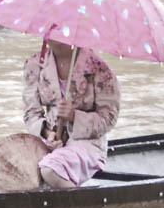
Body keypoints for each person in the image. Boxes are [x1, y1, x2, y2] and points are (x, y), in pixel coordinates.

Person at [22, 38, 121, 188]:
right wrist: (48, 133)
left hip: (87, 144)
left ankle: (82, 207)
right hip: (47, 142)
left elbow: (108, 118)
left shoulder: (99, 69)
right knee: (13, 166)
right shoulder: (36, 65)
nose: (49, 34)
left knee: (50, 170)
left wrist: (74, 116)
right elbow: (31, 113)